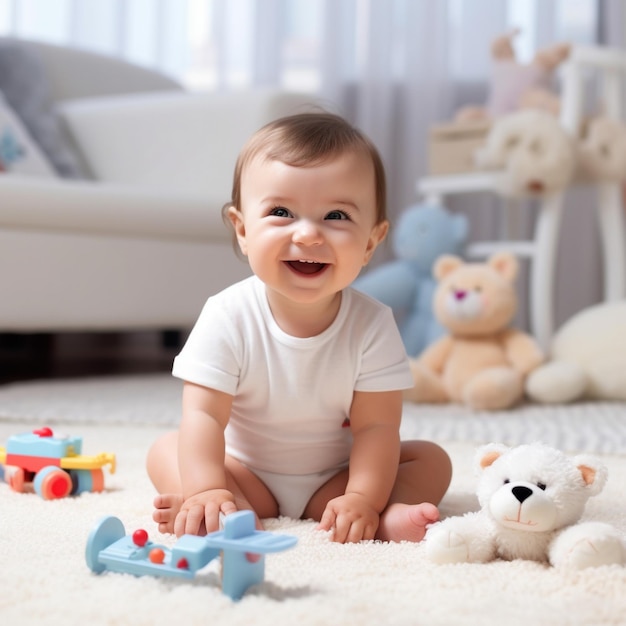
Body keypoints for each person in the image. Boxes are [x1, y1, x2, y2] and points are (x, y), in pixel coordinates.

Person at [146, 111, 452, 544]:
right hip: (244, 472)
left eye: (337, 216)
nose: (308, 235)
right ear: (242, 230)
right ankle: (222, 507)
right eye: (281, 212)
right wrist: (207, 487)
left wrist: (363, 496)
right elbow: (204, 416)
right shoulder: (227, 314)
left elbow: (376, 429)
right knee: (167, 448)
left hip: (334, 484)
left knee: (432, 460)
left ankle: (380, 517)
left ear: (370, 241)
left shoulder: (373, 323)